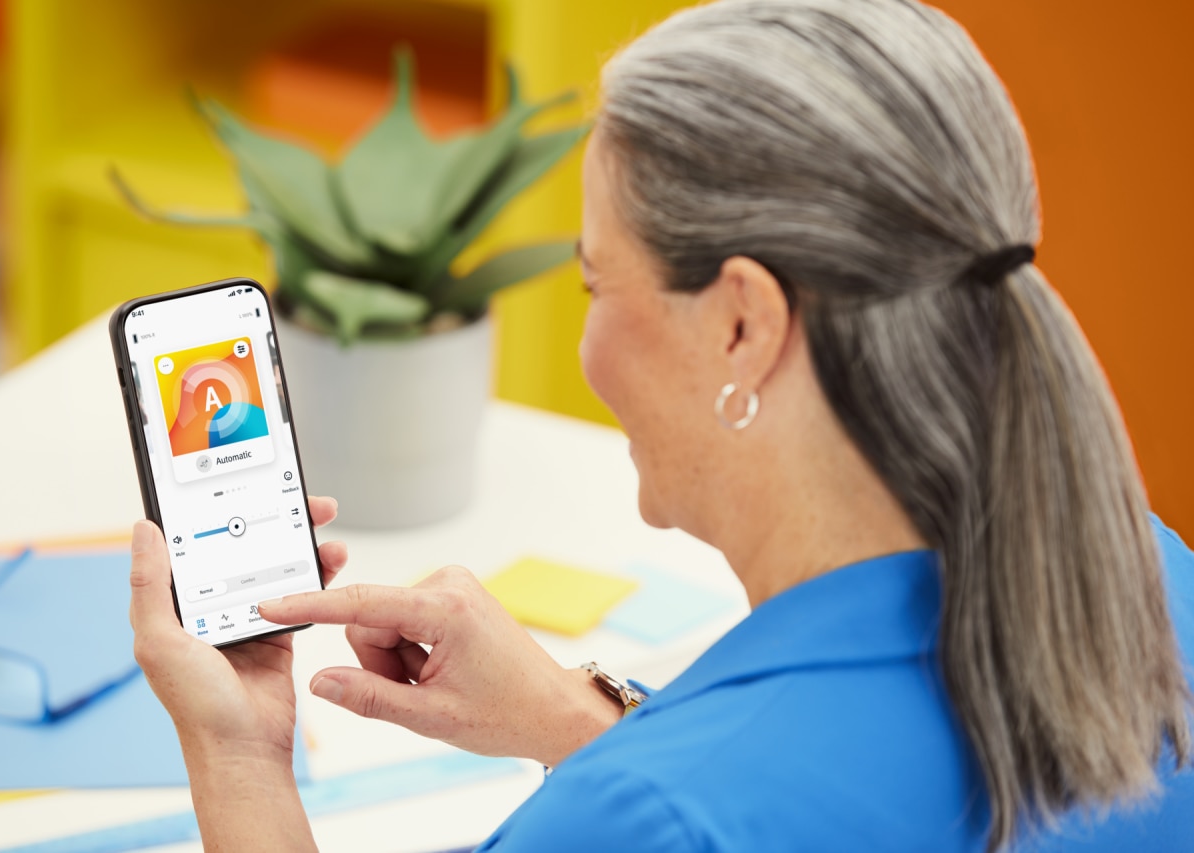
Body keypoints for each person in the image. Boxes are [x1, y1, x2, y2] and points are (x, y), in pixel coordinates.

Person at [127, 1, 1194, 850]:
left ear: (740, 323)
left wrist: (240, 758)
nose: (588, 348)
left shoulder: (644, 818)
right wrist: (577, 723)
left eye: (596, 283)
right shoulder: (1151, 581)